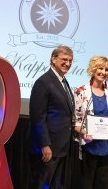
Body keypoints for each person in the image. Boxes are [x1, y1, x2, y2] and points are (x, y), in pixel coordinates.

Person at [28, 45, 75, 189]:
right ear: (54, 59)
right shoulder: (43, 82)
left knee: (56, 185)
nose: (67, 63)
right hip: (48, 148)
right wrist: (44, 145)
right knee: (41, 184)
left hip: (61, 147)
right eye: (64, 59)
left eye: (70, 61)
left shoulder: (63, 81)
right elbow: (38, 117)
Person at [74, 56, 108, 189]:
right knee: (86, 185)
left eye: (107, 70)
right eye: (100, 68)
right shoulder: (81, 91)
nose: (103, 72)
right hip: (89, 147)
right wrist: (84, 132)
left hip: (107, 148)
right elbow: (75, 121)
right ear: (93, 69)